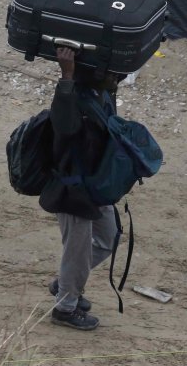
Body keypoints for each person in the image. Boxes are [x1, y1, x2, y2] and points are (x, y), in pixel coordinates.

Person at [39, 47, 122, 331]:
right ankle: (65, 308)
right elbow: (63, 121)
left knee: (108, 239)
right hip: (71, 191)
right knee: (77, 251)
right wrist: (67, 75)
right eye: (111, 72)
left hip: (94, 186)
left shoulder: (101, 95)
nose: (117, 77)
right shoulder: (71, 100)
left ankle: (66, 283)